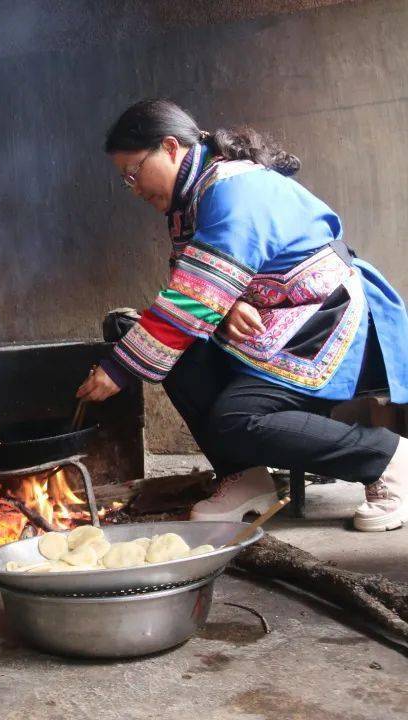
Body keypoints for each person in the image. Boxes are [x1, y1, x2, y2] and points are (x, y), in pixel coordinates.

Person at [78, 99, 408, 531]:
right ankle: (245, 478)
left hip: (321, 320)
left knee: (237, 419)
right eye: (127, 181)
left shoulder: (233, 188)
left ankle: (387, 458)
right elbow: (203, 280)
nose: (135, 189)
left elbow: (194, 292)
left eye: (134, 172)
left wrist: (120, 368)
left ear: (171, 148)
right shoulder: (191, 199)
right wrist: (227, 305)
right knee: (176, 354)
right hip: (268, 324)